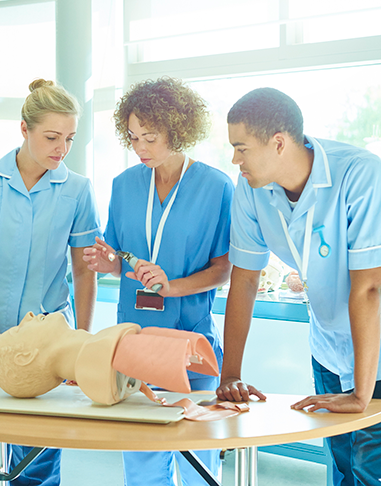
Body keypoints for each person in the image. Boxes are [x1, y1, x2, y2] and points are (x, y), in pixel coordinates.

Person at [216, 87, 381, 486]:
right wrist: (230, 374)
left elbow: (368, 288)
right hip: (329, 338)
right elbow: (245, 278)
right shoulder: (250, 188)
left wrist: (361, 395)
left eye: (241, 148)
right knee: (340, 460)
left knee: (369, 469)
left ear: (278, 143)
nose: (235, 160)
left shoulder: (361, 173)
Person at [0, 78, 100, 486]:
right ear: (23, 129)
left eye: (69, 138)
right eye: (51, 137)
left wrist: (82, 344)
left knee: (38, 467)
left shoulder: (78, 190)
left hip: (49, 348)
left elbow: (84, 270)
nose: (61, 148)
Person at [83, 77, 233, 486]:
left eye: (150, 138)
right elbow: (120, 260)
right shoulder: (124, 186)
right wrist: (108, 264)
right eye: (133, 138)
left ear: (178, 130)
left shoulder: (216, 187)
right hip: (135, 340)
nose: (140, 148)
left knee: (199, 460)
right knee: (143, 461)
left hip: (190, 342)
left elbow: (225, 268)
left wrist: (174, 287)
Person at [0, 311, 218, 405]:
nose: (28, 316)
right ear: (25, 357)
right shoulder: (105, 355)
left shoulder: (107, 349)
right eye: (18, 330)